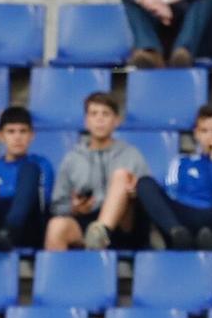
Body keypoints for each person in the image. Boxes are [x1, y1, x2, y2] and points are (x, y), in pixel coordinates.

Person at [136, 104, 212, 251]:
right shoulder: (181, 162)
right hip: (185, 219)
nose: (210, 136)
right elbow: (173, 194)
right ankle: (178, 235)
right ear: (196, 134)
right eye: (204, 131)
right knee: (144, 183)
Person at [46, 92, 151, 251]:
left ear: (116, 121)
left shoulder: (132, 154)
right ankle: (58, 274)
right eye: (94, 114)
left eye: (105, 114)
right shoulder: (72, 158)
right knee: (56, 226)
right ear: (86, 121)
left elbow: (149, 193)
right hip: (86, 221)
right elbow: (57, 206)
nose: (99, 119)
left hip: (124, 225)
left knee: (121, 176)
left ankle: (100, 233)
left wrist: (133, 193)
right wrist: (75, 208)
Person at [0, 105, 53, 252]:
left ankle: (10, 229)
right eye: (11, 132)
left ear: (32, 135)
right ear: (1, 136)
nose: (17, 137)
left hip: (27, 227)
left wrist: (2, 195)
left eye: (23, 131)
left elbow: (42, 200)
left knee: (30, 169)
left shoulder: (41, 164)